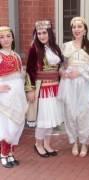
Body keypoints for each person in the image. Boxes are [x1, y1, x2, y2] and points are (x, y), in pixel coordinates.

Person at [58, 17, 89, 157]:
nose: (77, 29)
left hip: (84, 83)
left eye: (79, 26)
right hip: (69, 83)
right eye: (74, 27)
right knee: (70, 112)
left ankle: (84, 143)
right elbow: (62, 65)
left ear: (85, 29)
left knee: (84, 113)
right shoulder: (66, 46)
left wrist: (81, 72)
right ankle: (74, 142)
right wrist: (62, 72)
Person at [26, 20, 64, 158]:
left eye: (44, 33)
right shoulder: (34, 49)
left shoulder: (56, 48)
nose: (42, 36)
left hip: (55, 88)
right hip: (42, 89)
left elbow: (60, 68)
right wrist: (30, 89)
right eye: (39, 33)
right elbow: (29, 70)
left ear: (50, 33)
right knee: (43, 118)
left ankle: (47, 144)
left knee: (51, 119)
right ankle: (38, 144)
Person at [0, 26, 28, 168]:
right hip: (5, 97)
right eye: (1, 37)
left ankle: (10, 153)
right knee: (7, 127)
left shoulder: (16, 55)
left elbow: (21, 76)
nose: (5, 39)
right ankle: (3, 154)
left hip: (18, 96)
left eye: (8, 36)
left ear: (12, 38)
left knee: (17, 126)